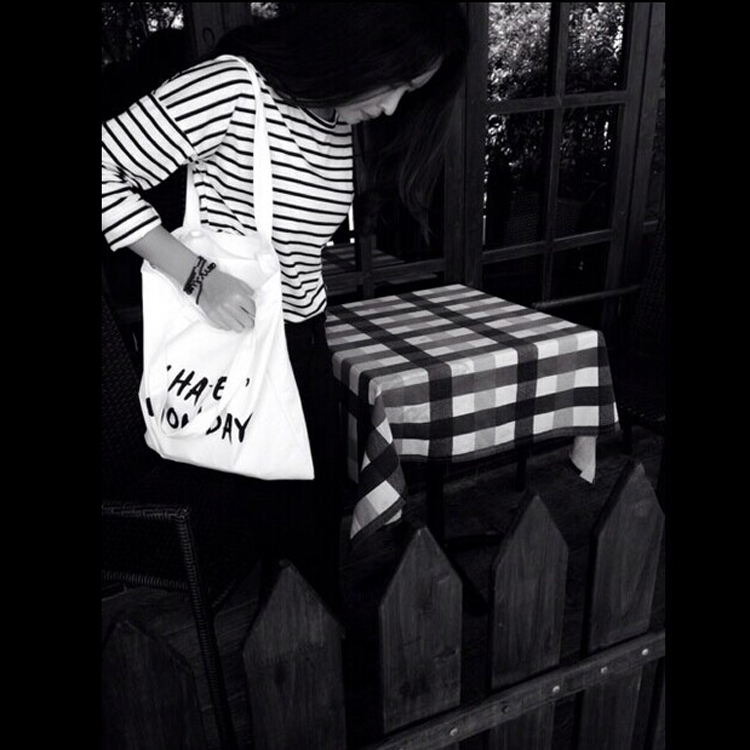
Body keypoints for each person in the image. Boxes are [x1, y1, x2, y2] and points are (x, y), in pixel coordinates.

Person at [101, 2, 470, 609]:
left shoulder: (334, 116)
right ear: (358, 42)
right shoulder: (233, 89)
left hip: (302, 342)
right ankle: (298, 648)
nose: (391, 108)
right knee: (279, 529)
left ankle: (309, 643)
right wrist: (195, 276)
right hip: (234, 344)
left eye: (410, 93)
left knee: (312, 523)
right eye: (395, 83)